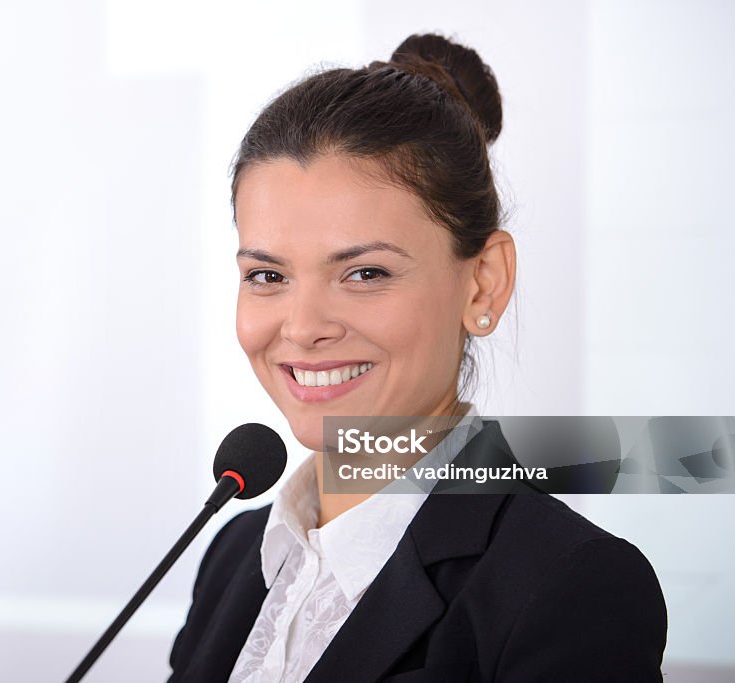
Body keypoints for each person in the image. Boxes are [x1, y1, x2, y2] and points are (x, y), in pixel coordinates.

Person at [168, 34, 667, 682]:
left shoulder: (568, 586)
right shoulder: (233, 557)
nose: (303, 326)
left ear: (483, 281)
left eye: (366, 272)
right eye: (267, 276)